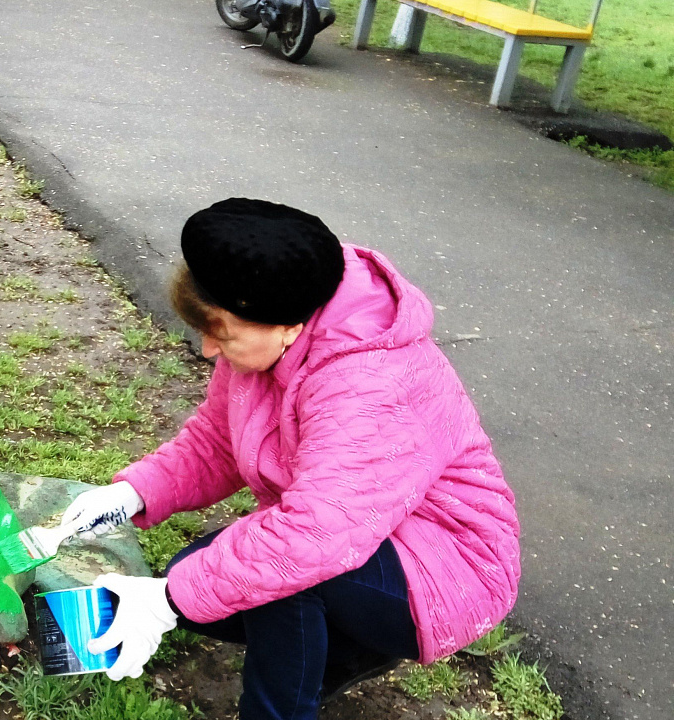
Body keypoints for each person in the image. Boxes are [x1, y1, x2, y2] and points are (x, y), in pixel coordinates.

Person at [59, 198, 521, 720]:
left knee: (276, 574)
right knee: (198, 574)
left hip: (449, 562)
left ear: (288, 326)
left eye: (221, 334)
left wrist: (163, 602)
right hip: (364, 531)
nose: (208, 349)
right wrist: (134, 491)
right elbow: (216, 442)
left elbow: (309, 538)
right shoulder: (267, 332)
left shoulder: (367, 382)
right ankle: (345, 654)